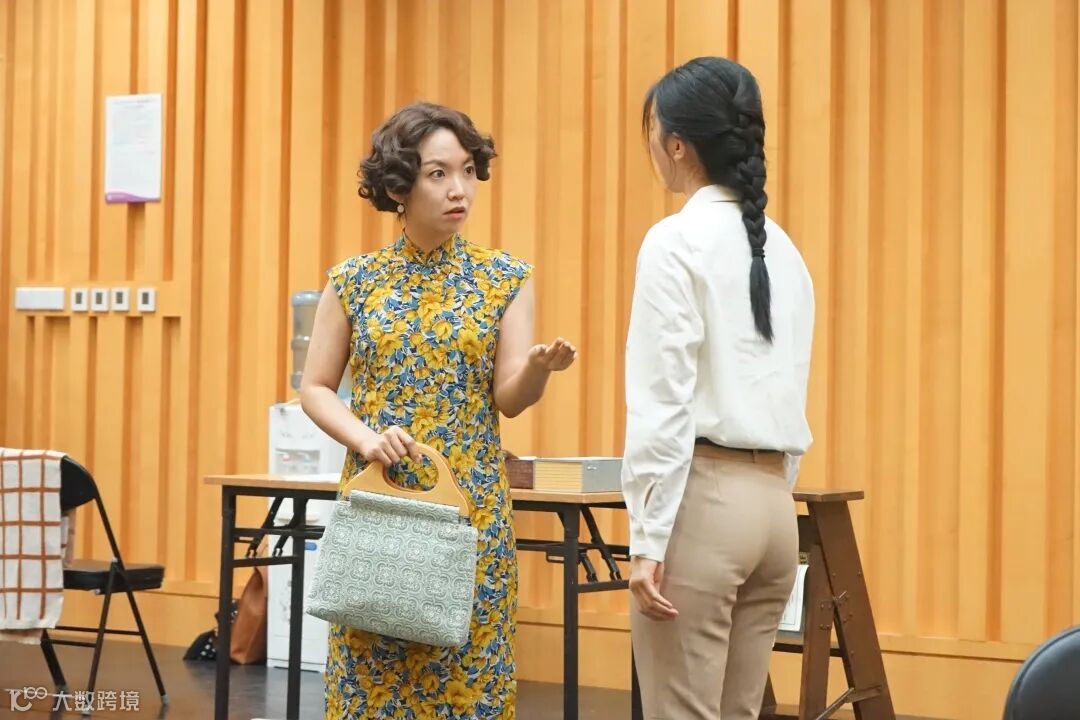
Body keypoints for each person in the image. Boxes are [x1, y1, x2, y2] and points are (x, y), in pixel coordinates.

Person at [300, 101, 577, 720]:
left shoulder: (505, 279)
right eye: (438, 174)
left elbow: (509, 399)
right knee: (371, 687)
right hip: (381, 503)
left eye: (469, 171)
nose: (460, 189)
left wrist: (538, 368)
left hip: (469, 512)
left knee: (469, 685)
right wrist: (365, 439)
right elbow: (315, 387)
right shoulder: (354, 281)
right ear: (399, 187)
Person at [621, 57, 815, 718]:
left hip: (702, 506)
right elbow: (787, 384)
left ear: (677, 145)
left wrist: (648, 537)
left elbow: (664, 401)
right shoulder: (785, 251)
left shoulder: (674, 241)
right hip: (774, 512)